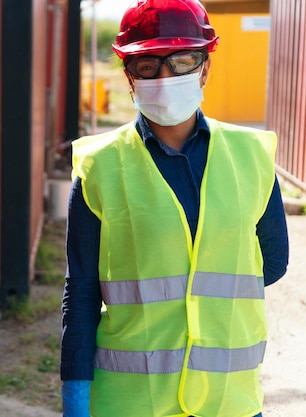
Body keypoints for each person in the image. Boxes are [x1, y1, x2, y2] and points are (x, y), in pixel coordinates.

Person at [60, 0, 290, 416]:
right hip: (130, 402)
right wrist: (75, 390)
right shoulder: (100, 166)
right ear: (130, 77)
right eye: (148, 65)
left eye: (182, 60)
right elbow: (81, 290)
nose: (165, 77)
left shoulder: (251, 155)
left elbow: (273, 262)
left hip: (228, 401)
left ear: (204, 66)